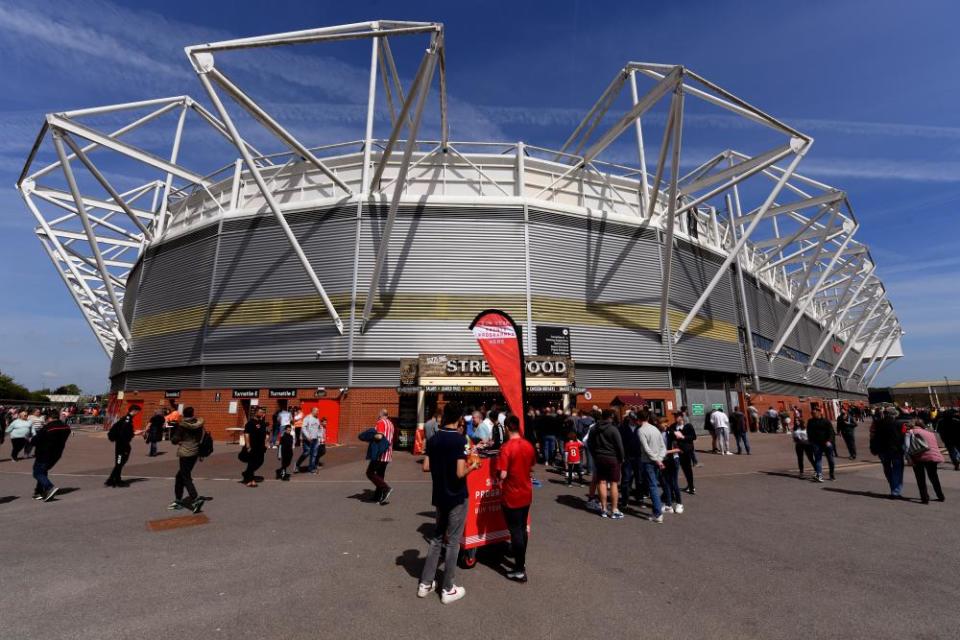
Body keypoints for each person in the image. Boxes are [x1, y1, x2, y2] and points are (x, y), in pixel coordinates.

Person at [417, 403, 481, 603]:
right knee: (453, 542)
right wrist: (474, 466)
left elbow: (425, 467)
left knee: (437, 539)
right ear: (459, 418)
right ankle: (448, 587)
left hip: (439, 495)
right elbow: (460, 472)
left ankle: (425, 583)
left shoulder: (434, 438)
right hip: (456, 495)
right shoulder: (458, 440)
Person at [498, 414, 536, 582]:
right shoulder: (528, 445)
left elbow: (503, 473)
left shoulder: (506, 448)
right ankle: (521, 561)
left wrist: (498, 476)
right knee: (522, 528)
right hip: (526, 492)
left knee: (516, 532)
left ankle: (520, 568)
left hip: (511, 494)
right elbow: (532, 466)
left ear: (506, 428)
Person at [586, 409, 625, 519]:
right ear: (611, 417)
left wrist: (595, 454)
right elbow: (619, 446)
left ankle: (603, 508)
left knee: (601, 482)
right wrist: (621, 458)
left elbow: (589, 443)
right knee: (613, 483)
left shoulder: (594, 428)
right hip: (612, 458)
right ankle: (613, 509)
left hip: (599, 457)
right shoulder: (613, 429)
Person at [170, 406, 205, 512]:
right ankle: (178, 500)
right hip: (195, 452)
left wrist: (179, 440)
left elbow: (174, 440)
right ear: (193, 413)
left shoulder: (182, 426)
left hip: (185, 452)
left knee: (185, 476)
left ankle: (195, 498)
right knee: (180, 476)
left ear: (184, 414)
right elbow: (201, 438)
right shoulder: (199, 425)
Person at [31, 411, 71, 502]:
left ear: (49, 418)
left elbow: (35, 440)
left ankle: (49, 487)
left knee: (37, 473)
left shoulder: (48, 427)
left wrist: (31, 440)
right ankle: (39, 492)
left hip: (44, 453)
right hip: (57, 453)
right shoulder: (66, 427)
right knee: (43, 471)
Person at [905, 418, 945, 504]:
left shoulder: (910, 432)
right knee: (934, 477)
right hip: (933, 456)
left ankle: (925, 498)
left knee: (920, 478)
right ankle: (940, 495)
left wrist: (908, 459)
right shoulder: (930, 433)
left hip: (918, 457)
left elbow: (907, 447)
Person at [870, 406, 907, 499]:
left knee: (887, 468)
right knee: (897, 470)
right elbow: (903, 438)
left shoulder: (878, 423)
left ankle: (893, 486)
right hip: (896, 450)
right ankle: (895, 491)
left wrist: (874, 448)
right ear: (894, 415)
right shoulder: (899, 424)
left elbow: (873, 436)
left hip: (882, 450)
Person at [637, 409, 666, 523]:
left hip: (649, 462)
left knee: (652, 486)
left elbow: (646, 449)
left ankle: (657, 513)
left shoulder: (641, 431)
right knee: (654, 485)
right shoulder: (655, 429)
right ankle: (657, 511)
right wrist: (660, 458)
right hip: (656, 460)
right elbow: (662, 446)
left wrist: (657, 460)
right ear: (648, 418)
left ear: (638, 419)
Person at [105, 405, 139, 487]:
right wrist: (134, 433)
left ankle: (111, 479)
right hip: (122, 444)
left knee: (120, 462)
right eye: (137, 411)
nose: (137, 413)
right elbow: (124, 433)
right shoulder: (127, 420)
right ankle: (116, 480)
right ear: (134, 411)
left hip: (121, 443)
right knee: (120, 462)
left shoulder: (126, 419)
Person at [367, 409, 395, 504]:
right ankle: (378, 496)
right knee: (380, 474)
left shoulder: (380, 422)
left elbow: (379, 436)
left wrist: (369, 436)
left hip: (380, 453)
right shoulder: (391, 424)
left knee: (370, 473)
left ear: (381, 415)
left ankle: (386, 488)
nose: (378, 417)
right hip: (388, 453)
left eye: (378, 415)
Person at [618, 412, 644, 509]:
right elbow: (619, 443)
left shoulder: (640, 428)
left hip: (639, 457)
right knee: (626, 479)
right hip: (627, 457)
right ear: (629, 419)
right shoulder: (622, 428)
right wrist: (621, 456)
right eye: (633, 419)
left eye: (636, 420)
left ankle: (640, 498)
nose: (635, 421)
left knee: (639, 479)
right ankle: (625, 500)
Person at [660, 416, 684, 514]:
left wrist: (667, 451)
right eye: (660, 423)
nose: (662, 425)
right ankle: (668, 504)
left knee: (673, 483)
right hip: (663, 460)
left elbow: (680, 449)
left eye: (664, 423)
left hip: (673, 460)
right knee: (665, 483)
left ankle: (679, 503)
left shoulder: (672, 433)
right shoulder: (658, 433)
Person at [806, 406, 836, 482]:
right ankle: (819, 475)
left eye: (814, 413)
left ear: (819, 413)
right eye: (812, 413)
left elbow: (831, 432)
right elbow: (808, 432)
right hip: (816, 444)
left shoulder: (826, 421)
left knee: (830, 460)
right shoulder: (810, 421)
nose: (813, 414)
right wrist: (811, 441)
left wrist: (829, 441)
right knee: (818, 459)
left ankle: (831, 474)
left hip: (826, 443)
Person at [671, 412, 697, 494]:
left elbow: (694, 437)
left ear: (682, 417)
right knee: (679, 469)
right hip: (676, 450)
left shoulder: (688, 426)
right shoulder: (673, 426)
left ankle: (691, 486)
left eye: (677, 417)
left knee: (687, 469)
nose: (676, 418)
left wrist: (683, 437)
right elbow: (671, 436)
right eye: (675, 417)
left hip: (686, 450)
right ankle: (687, 485)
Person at [242, 406, 268, 487]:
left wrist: (266, 443)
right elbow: (246, 434)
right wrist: (248, 445)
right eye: (260, 412)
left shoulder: (262, 423)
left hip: (261, 446)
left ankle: (246, 473)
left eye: (263, 412)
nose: (262, 414)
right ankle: (250, 480)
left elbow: (266, 434)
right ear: (256, 412)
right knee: (252, 463)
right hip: (253, 446)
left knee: (260, 461)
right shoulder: (250, 423)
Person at [297, 408, 321, 473]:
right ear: (312, 411)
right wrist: (307, 436)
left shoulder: (317, 419)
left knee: (314, 454)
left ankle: (311, 468)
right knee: (307, 452)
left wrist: (319, 437)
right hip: (307, 439)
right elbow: (303, 427)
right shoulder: (307, 418)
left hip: (315, 439)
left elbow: (319, 429)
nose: (318, 412)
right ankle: (297, 465)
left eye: (318, 411)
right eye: (316, 411)